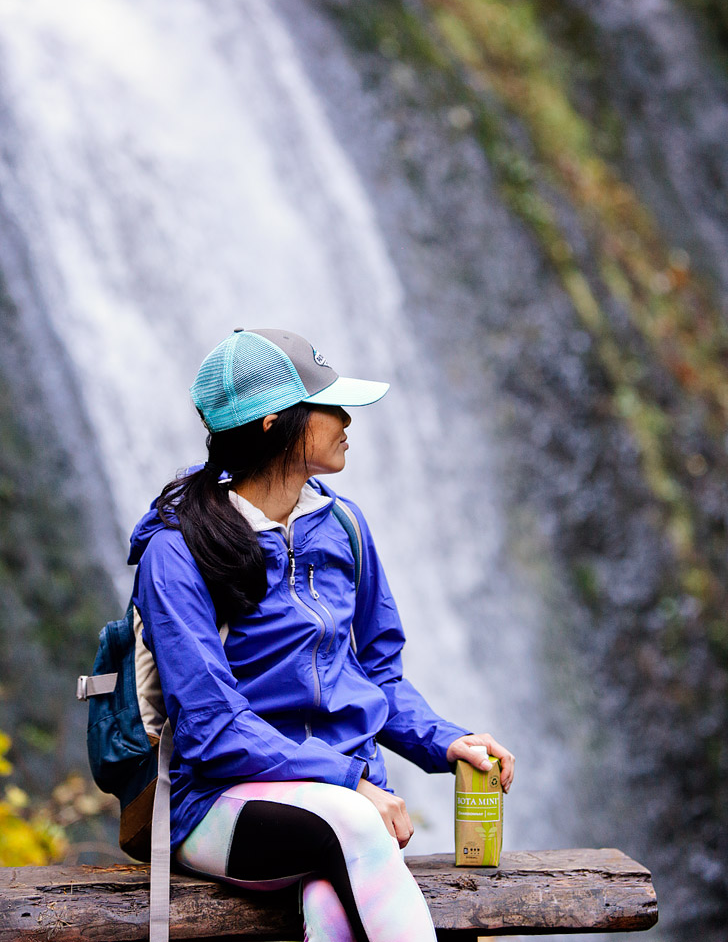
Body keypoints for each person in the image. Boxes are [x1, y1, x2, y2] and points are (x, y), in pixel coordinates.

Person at [130, 328, 515, 942]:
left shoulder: (343, 527)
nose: (346, 419)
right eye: (329, 405)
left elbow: (377, 673)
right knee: (353, 826)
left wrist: (445, 742)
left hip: (349, 805)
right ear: (272, 422)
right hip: (223, 807)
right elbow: (213, 727)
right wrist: (349, 782)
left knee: (333, 909)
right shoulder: (177, 554)